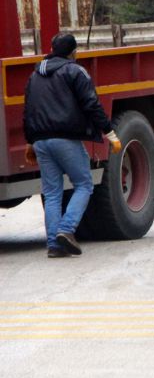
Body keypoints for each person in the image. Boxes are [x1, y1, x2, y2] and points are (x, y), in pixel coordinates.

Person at [23, 33, 121, 258]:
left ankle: (54, 245)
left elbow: (28, 110)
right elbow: (91, 104)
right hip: (65, 139)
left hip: (41, 141)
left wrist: (30, 141)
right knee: (84, 184)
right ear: (73, 52)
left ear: (51, 49)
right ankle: (66, 230)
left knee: (52, 193)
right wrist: (110, 133)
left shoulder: (35, 75)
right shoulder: (75, 71)